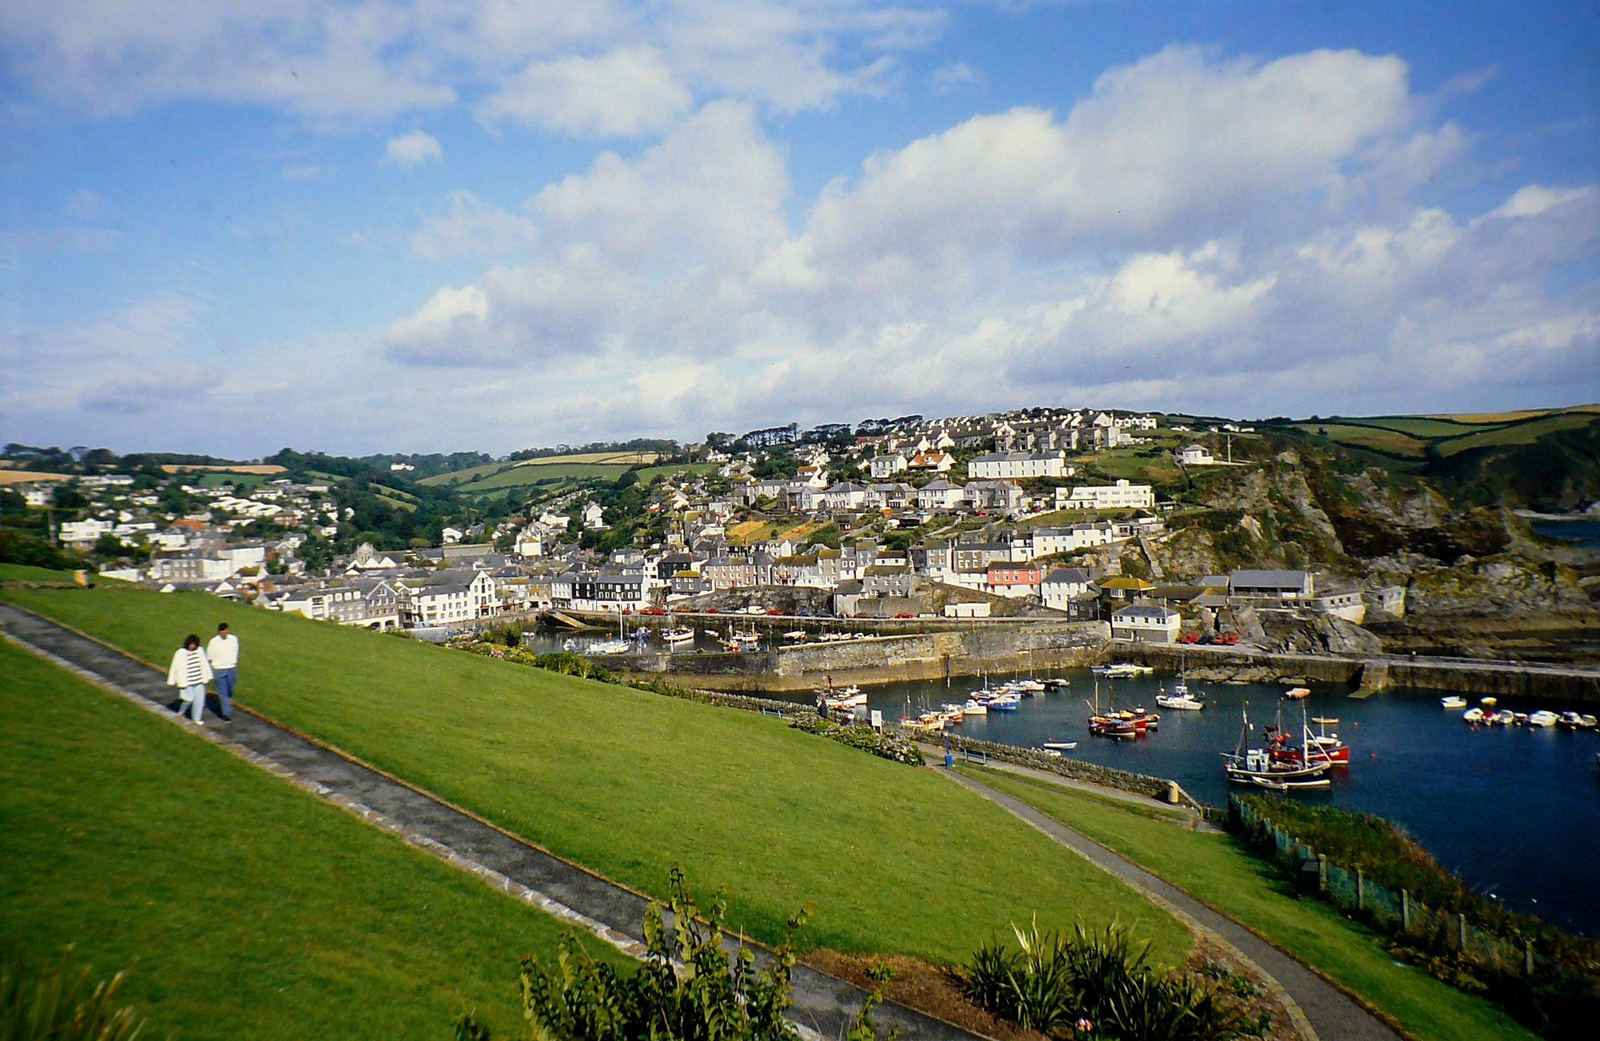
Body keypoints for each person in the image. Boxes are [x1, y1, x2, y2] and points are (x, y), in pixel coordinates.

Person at [166, 633, 213, 725]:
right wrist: (172, 680)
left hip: (199, 681)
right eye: (191, 644)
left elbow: (204, 664)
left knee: (199, 701)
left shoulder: (199, 651)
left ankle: (196, 718)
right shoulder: (181, 653)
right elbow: (174, 667)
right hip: (187, 682)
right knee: (189, 699)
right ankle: (181, 711)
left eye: (194, 644)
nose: (192, 646)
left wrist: (208, 676)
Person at [207, 622, 240, 722]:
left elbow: (236, 651)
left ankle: (225, 704)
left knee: (230, 689)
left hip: (231, 668)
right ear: (219, 632)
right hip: (219, 669)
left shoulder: (233, 639)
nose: (224, 633)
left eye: (225, 631)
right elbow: (209, 656)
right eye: (222, 632)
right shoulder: (213, 641)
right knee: (223, 692)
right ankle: (226, 714)